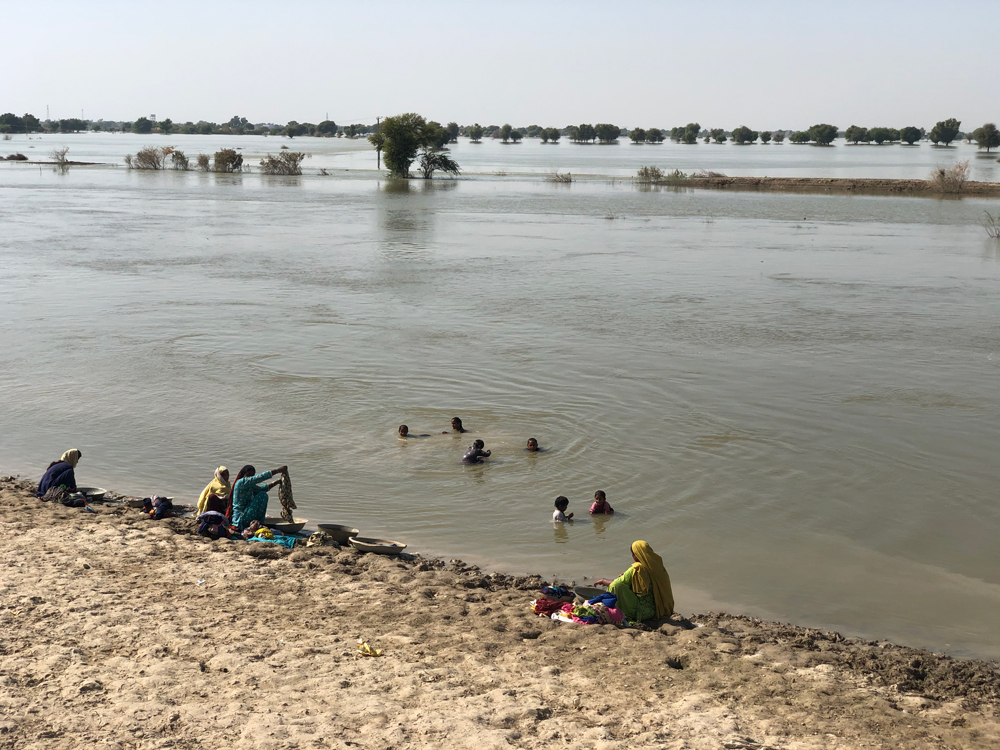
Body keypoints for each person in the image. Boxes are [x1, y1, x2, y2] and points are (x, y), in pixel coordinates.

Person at [593, 540, 674, 622]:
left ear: (636, 555)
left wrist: (603, 581)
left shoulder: (637, 568)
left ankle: (615, 611)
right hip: (658, 610)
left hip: (641, 612)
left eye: (633, 554)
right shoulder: (657, 566)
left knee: (617, 585)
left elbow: (617, 583)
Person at [230, 464, 287, 531]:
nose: (250, 477)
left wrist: (276, 482)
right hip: (241, 518)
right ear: (243, 474)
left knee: (262, 493)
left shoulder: (250, 486)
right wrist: (277, 470)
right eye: (248, 475)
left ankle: (257, 523)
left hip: (246, 514)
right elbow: (259, 478)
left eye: (252, 475)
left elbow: (261, 489)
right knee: (262, 495)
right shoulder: (241, 482)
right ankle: (259, 522)